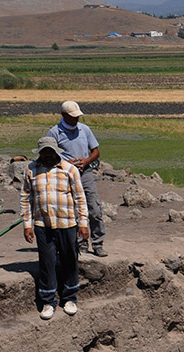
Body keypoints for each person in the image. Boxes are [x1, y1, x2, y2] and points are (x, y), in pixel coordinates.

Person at [21, 136, 89, 320]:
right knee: (47, 262)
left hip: (67, 223)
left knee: (70, 260)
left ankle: (70, 298)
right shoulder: (30, 170)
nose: (48, 155)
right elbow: (26, 198)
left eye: (51, 151)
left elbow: (80, 198)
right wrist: (27, 225)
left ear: (56, 152)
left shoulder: (69, 169)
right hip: (42, 224)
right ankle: (48, 301)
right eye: (44, 152)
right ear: (40, 153)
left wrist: (83, 223)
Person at [47, 101, 106, 257]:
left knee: (94, 208)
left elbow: (96, 151)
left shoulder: (84, 129)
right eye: (72, 117)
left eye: (77, 116)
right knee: (73, 210)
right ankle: (80, 243)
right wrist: (66, 164)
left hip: (85, 173)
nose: (76, 119)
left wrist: (86, 161)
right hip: (65, 176)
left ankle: (98, 243)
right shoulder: (54, 132)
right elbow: (48, 156)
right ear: (63, 115)